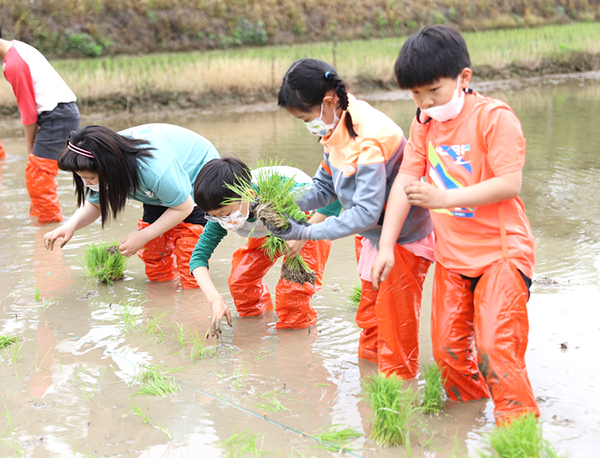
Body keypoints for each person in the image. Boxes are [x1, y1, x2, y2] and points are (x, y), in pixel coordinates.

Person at [371, 25, 539, 424]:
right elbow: (406, 183)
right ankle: (470, 419)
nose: (426, 101)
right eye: (415, 94)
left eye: (433, 90)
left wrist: (444, 199)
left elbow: (509, 183)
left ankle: (518, 433)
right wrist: (386, 246)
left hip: (501, 254)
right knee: (447, 353)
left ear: (464, 78)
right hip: (451, 259)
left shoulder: (493, 118)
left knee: (495, 347)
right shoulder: (423, 123)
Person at [270, 58, 434, 379]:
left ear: (328, 103)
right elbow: (323, 187)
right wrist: (279, 201)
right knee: (372, 316)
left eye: (306, 118)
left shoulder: (369, 138)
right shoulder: (337, 128)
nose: (308, 126)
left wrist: (306, 232)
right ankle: (372, 382)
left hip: (402, 238)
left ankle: (398, 395)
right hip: (376, 237)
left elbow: (364, 213)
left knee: (396, 325)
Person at [43, 123, 220, 289]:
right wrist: (70, 225)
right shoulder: (96, 159)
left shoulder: (153, 169)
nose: (87, 183)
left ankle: (194, 303)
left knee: (189, 251)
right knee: (154, 255)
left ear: (109, 168)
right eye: (82, 178)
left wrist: (142, 236)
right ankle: (163, 297)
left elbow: (184, 207)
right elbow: (95, 205)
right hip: (159, 190)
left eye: (90, 178)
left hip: (197, 179)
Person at [190, 157, 334, 334]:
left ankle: (298, 338)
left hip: (307, 222)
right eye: (214, 216)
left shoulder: (282, 193)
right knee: (241, 280)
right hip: (265, 230)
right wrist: (215, 300)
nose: (222, 220)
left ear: (248, 195)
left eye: (224, 213)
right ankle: (255, 328)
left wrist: (303, 234)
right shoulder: (219, 213)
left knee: (293, 292)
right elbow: (198, 257)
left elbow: (333, 198)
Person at [0, 26, 80, 224]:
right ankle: (40, 222)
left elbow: (28, 111)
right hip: (58, 113)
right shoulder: (17, 48)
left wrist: (30, 144)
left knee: (39, 175)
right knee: (36, 174)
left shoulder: (13, 64)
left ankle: (50, 227)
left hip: (57, 115)